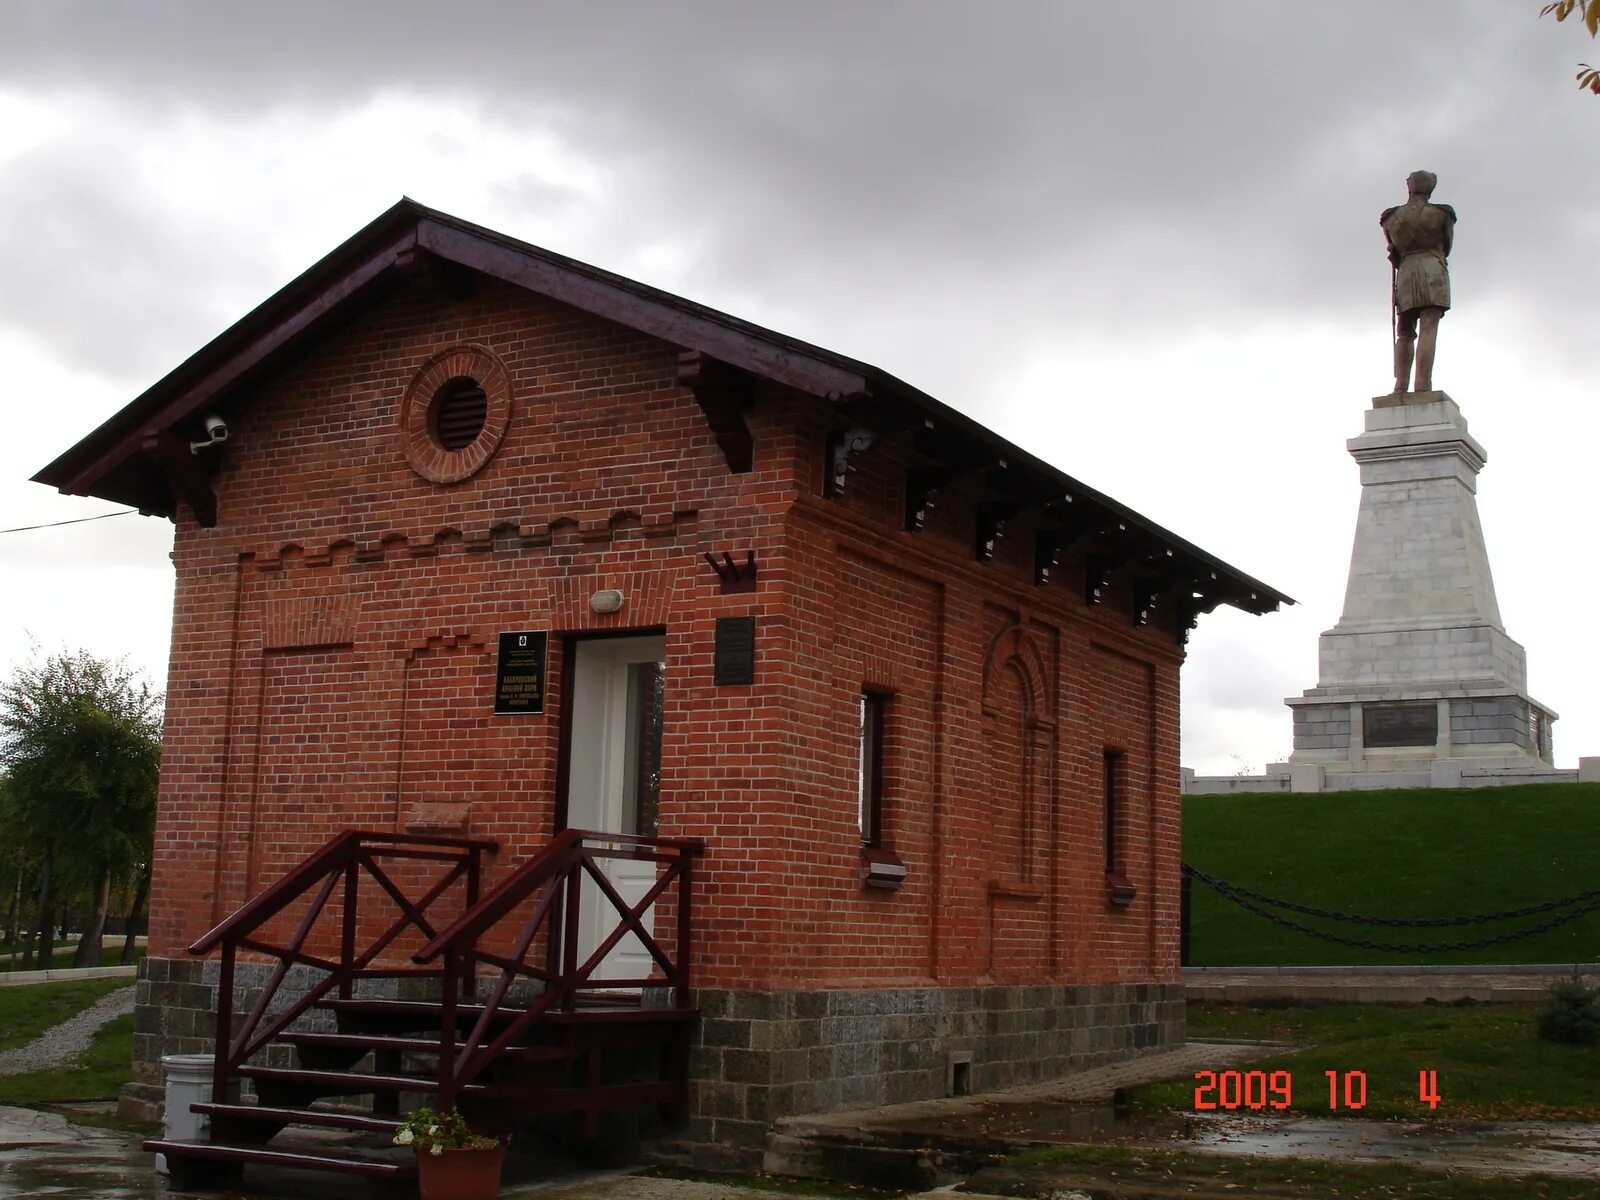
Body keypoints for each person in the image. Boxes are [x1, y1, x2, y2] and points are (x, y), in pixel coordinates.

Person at [1381, 170, 1456, 394]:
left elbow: (1394, 248)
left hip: (1406, 272)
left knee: (1404, 332)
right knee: (1428, 328)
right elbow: (1447, 246)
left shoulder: (1391, 217)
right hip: (1434, 269)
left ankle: (1400, 386)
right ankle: (1423, 385)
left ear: (1409, 187)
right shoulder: (1443, 214)